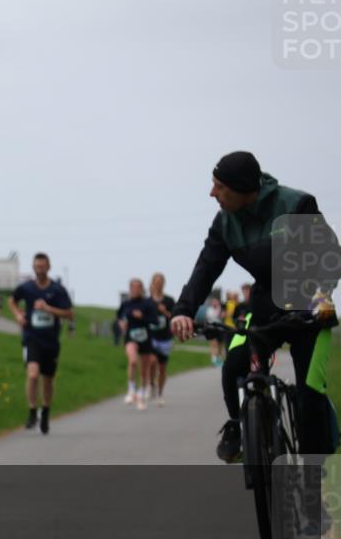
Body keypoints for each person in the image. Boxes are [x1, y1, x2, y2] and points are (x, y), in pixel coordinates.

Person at [170, 150, 338, 465]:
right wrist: (183, 310)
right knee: (234, 365)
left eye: (219, 187)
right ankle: (241, 424)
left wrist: (319, 296)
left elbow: (329, 256)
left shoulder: (295, 206)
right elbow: (206, 268)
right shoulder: (225, 222)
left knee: (310, 396)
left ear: (243, 189)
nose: (212, 193)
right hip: (264, 308)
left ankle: (319, 486)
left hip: (309, 309)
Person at [8, 253, 74, 433]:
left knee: (47, 380)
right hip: (32, 338)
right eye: (37, 267)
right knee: (32, 374)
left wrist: (48, 308)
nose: (40, 270)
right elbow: (12, 300)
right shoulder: (27, 288)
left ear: (49, 267)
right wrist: (18, 315)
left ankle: (45, 411)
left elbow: (69, 314)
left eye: (43, 267)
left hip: (51, 341)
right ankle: (32, 411)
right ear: (33, 267)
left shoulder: (58, 290)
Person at [116, 278, 158, 410]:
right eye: (132, 288)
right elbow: (119, 316)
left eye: (137, 288)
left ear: (142, 289)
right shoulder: (126, 303)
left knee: (144, 370)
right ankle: (131, 390)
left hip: (145, 338)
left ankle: (142, 393)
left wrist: (142, 317)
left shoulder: (148, 303)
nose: (135, 290)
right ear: (130, 289)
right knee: (133, 361)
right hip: (131, 337)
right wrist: (121, 323)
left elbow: (155, 321)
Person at [146, 272, 176, 406]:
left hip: (165, 338)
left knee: (162, 368)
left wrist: (165, 312)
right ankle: (151, 384)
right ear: (153, 283)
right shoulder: (147, 301)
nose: (158, 284)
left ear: (163, 284)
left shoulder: (169, 301)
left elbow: (175, 318)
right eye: (156, 281)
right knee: (152, 362)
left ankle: (160, 394)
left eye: (161, 282)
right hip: (151, 338)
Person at [203, 295, 224, 366]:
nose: (214, 303)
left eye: (216, 301)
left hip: (220, 329)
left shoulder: (221, 308)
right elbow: (212, 317)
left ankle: (219, 358)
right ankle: (214, 359)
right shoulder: (210, 310)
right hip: (212, 328)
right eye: (213, 301)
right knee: (213, 343)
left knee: (220, 344)